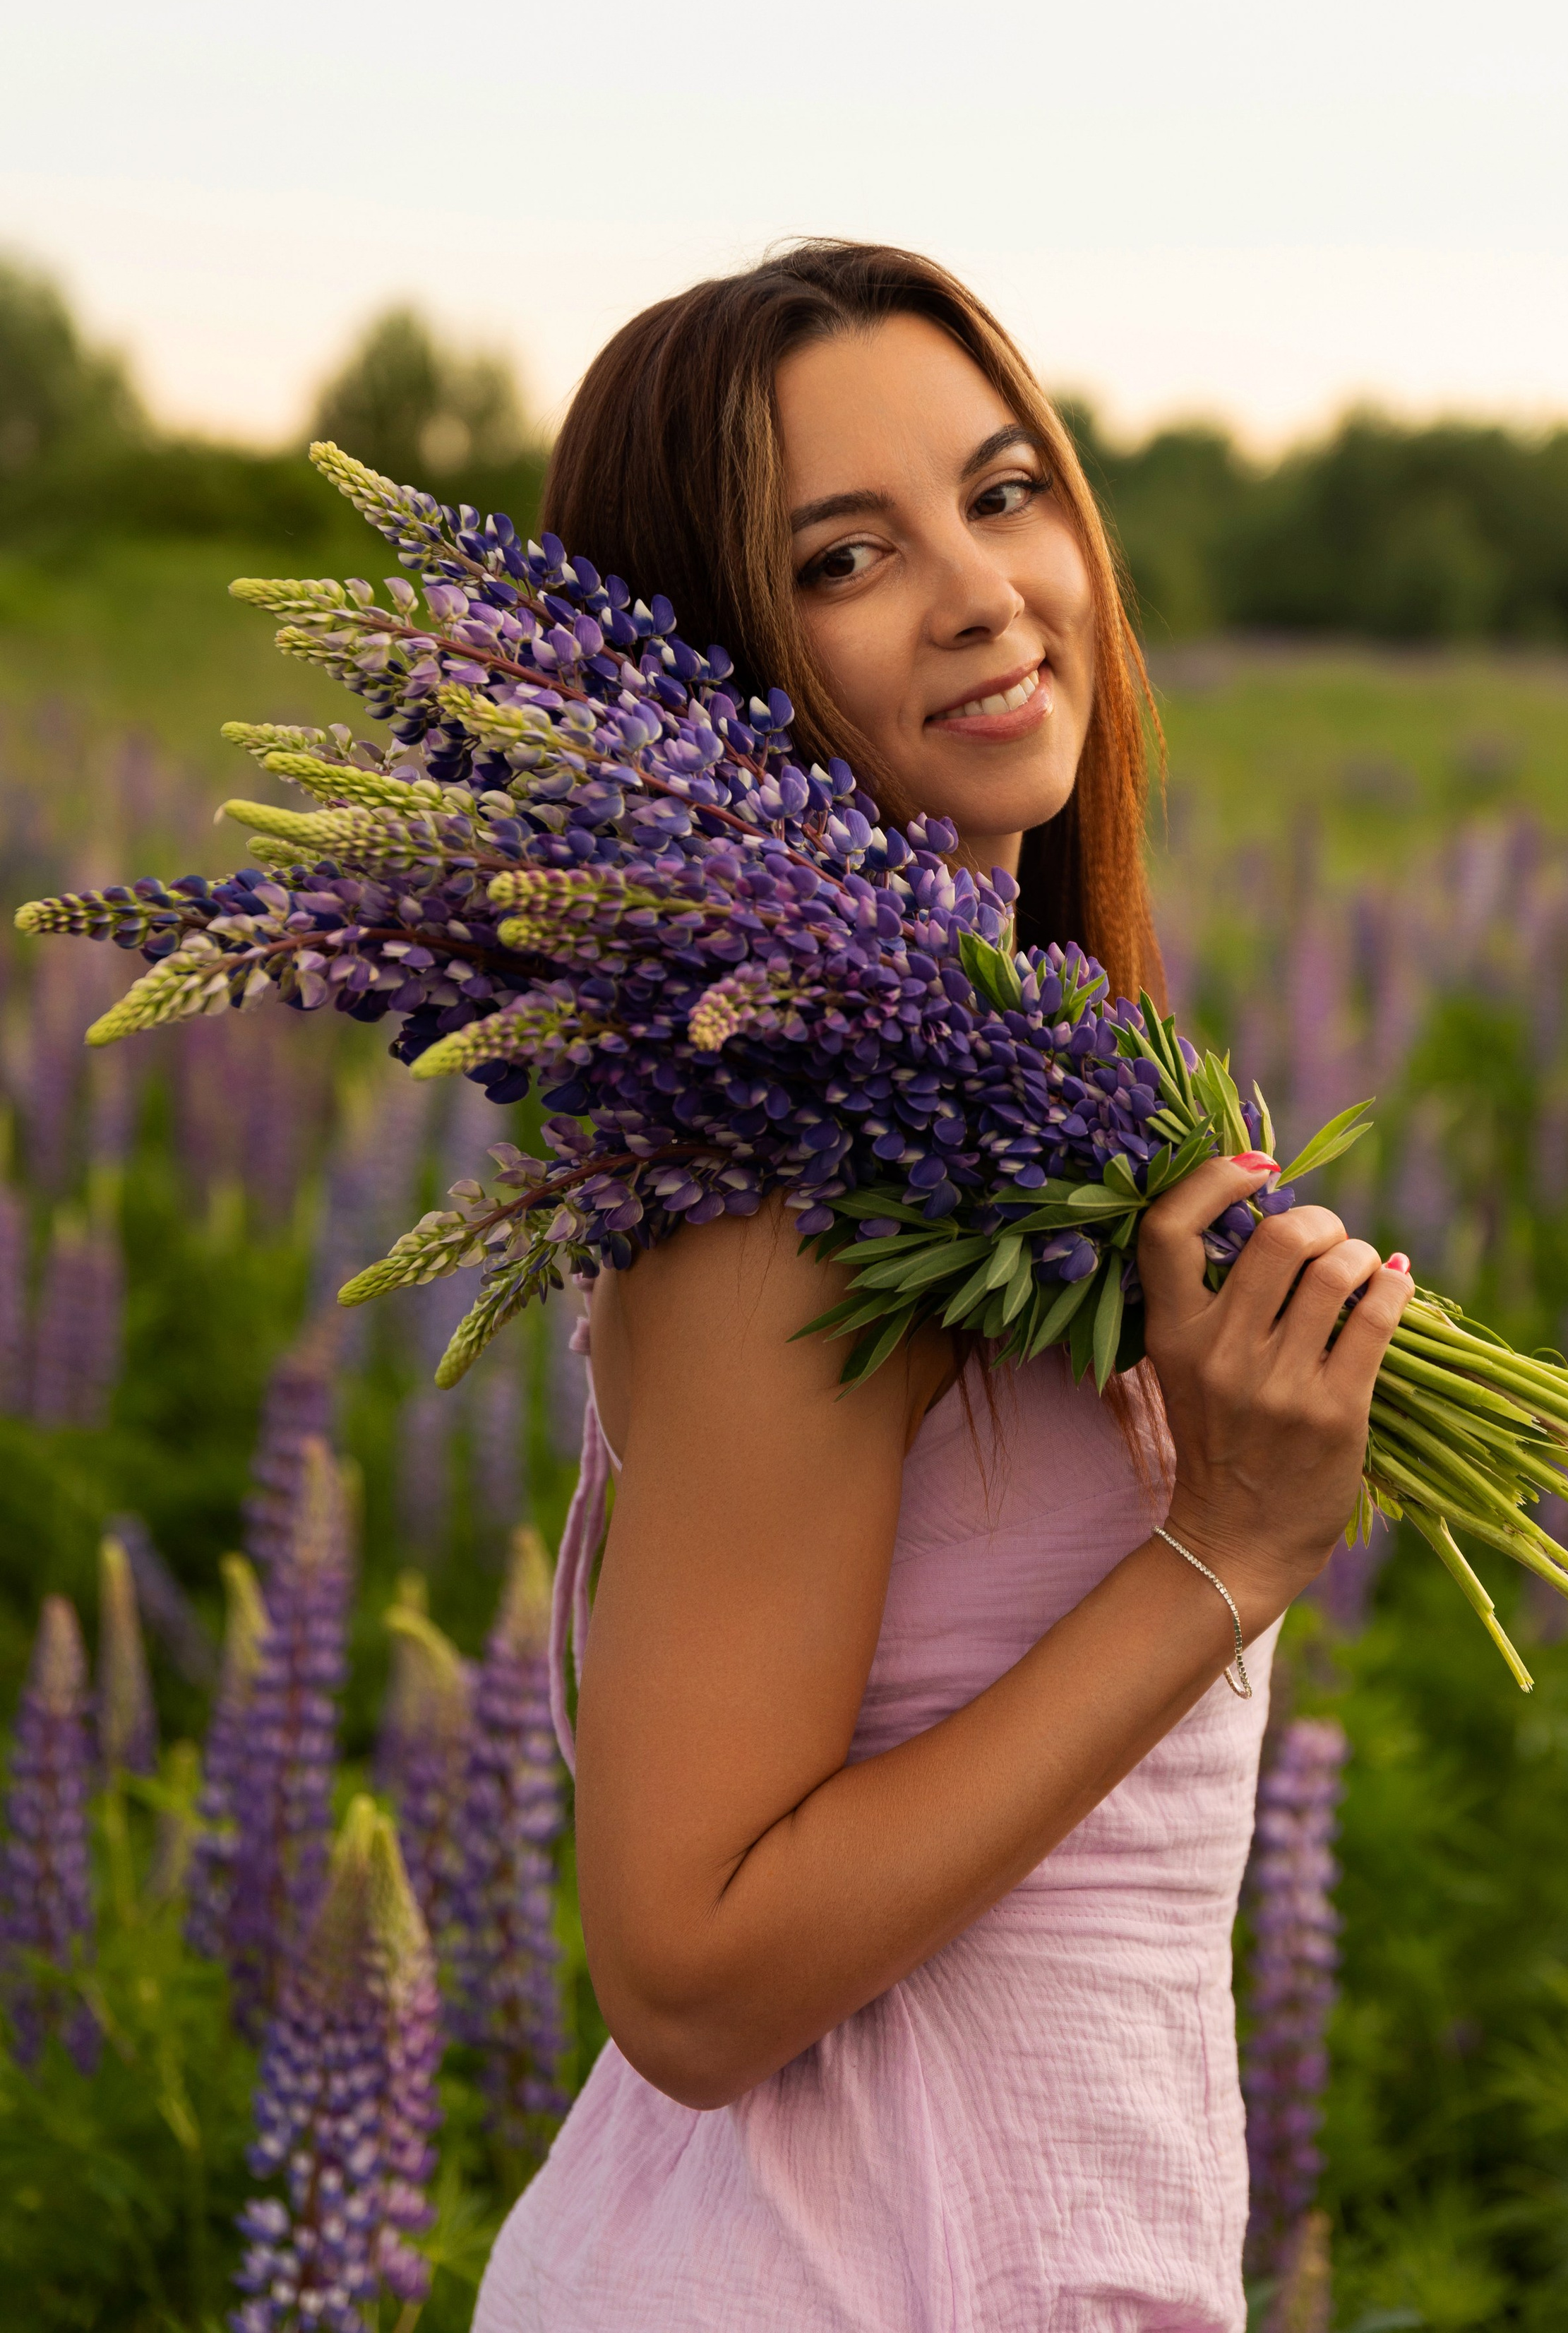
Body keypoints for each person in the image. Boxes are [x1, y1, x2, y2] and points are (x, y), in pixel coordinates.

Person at [475, 243, 1413, 2332]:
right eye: (843, 558)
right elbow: (688, 1975)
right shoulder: (783, 1190)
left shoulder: (1020, 1122)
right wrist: (1226, 1554)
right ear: (699, 676)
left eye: (1005, 493)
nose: (986, 587)